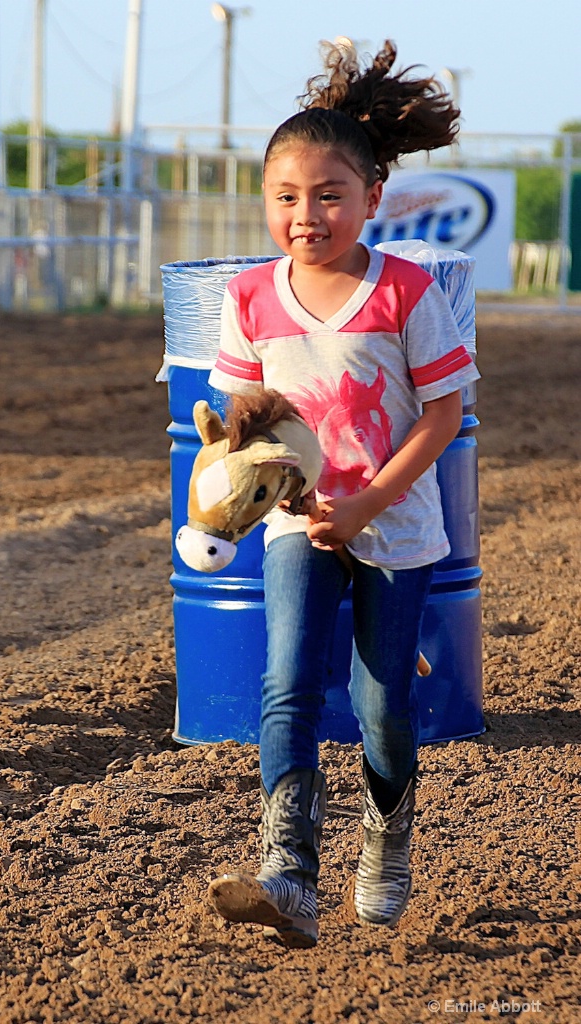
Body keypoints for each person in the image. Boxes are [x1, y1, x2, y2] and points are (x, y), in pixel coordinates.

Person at [205, 40, 480, 949]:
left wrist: (365, 505)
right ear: (265, 204)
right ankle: (289, 871)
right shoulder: (249, 296)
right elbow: (245, 404)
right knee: (284, 681)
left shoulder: (405, 290)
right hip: (297, 527)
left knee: (379, 704)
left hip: (394, 526)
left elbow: (440, 417)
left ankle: (386, 834)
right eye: (286, 197)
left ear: (372, 199)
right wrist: (235, 421)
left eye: (329, 195)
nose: (306, 214)